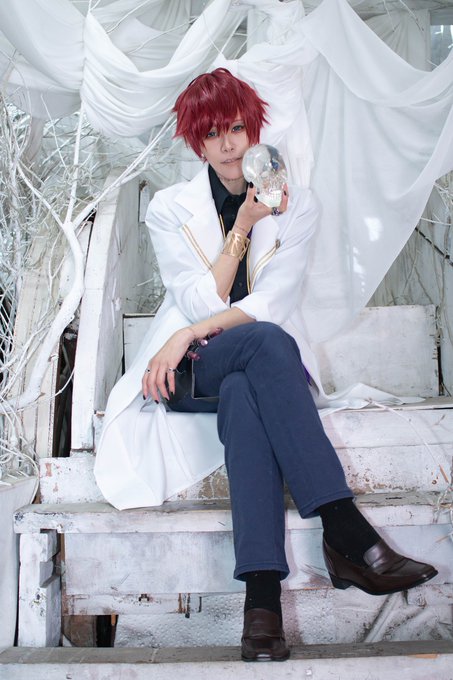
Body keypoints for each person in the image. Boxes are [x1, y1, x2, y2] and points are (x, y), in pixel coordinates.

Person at [101, 68, 438, 662]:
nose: (228, 145)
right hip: (186, 371)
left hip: (237, 360)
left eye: (235, 128)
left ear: (254, 128)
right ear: (196, 142)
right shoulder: (169, 209)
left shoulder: (299, 206)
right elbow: (201, 300)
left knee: (246, 387)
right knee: (266, 347)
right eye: (211, 134)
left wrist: (187, 332)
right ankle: (345, 531)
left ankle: (262, 607)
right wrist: (240, 231)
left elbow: (272, 304)